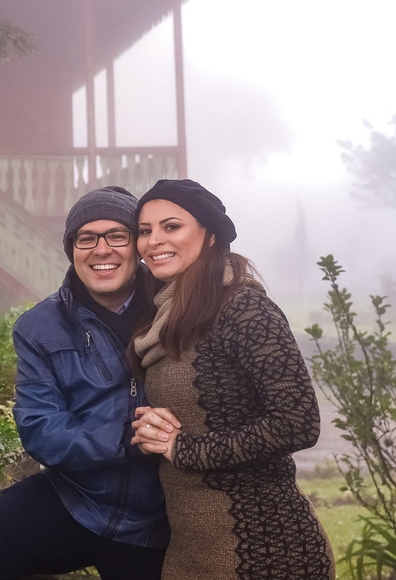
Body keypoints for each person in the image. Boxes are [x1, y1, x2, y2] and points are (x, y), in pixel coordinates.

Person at [0, 186, 169, 580]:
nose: (101, 250)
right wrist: (126, 439)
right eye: (86, 238)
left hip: (160, 517)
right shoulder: (39, 326)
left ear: (137, 245)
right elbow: (40, 428)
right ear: (72, 249)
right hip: (77, 500)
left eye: (117, 235)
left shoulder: (175, 307)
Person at [130, 179, 334, 580]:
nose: (153, 241)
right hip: (192, 552)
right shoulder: (165, 314)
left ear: (209, 237)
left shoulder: (243, 308)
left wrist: (184, 449)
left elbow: (298, 422)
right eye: (144, 230)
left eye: (171, 227)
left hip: (266, 552)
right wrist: (150, 430)